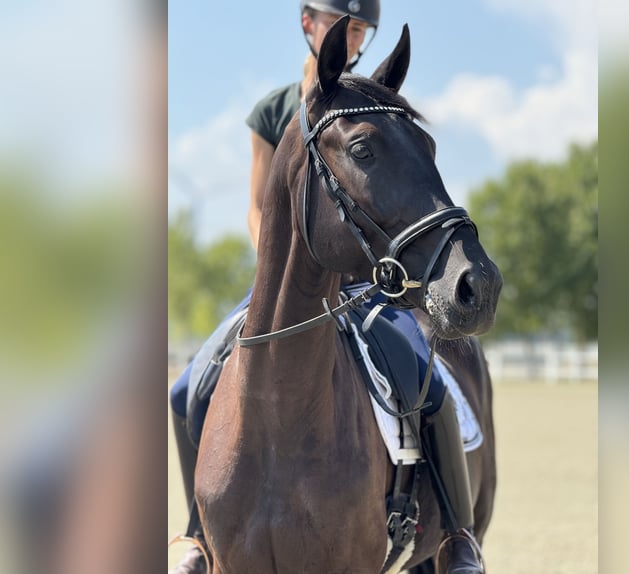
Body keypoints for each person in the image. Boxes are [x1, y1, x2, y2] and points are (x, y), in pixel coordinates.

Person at [169, 2, 484, 573]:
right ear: (308, 24)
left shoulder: (370, 109)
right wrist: (280, 256)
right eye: (346, 25)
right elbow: (257, 204)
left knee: (428, 380)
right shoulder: (274, 110)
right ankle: (196, 531)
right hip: (284, 276)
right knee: (186, 385)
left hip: (363, 284)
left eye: (363, 29)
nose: (355, 36)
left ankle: (458, 536)